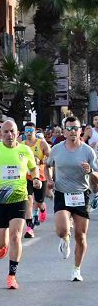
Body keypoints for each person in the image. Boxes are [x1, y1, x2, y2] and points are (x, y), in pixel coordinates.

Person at [0, 120, 37, 290]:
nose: (9, 135)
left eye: (12, 131)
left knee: (16, 236)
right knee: (0, 242)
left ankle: (12, 275)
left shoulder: (25, 150)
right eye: (6, 132)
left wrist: (37, 178)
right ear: (1, 134)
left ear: (17, 133)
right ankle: (1, 247)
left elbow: (33, 168)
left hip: (19, 198)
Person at [48, 115, 96, 281]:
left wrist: (90, 170)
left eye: (75, 128)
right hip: (62, 193)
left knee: (81, 236)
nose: (73, 131)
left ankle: (76, 269)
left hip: (81, 194)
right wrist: (48, 179)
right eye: (69, 129)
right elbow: (47, 166)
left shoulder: (87, 151)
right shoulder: (57, 149)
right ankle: (64, 238)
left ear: (80, 131)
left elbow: (96, 173)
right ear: (64, 131)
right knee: (61, 230)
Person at [23, 121, 51, 235]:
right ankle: (29, 228)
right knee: (28, 200)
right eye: (26, 131)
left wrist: (41, 161)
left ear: (35, 131)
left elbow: (51, 158)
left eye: (31, 131)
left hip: (40, 176)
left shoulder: (41, 143)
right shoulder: (21, 143)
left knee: (39, 201)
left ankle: (42, 209)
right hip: (26, 176)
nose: (28, 133)